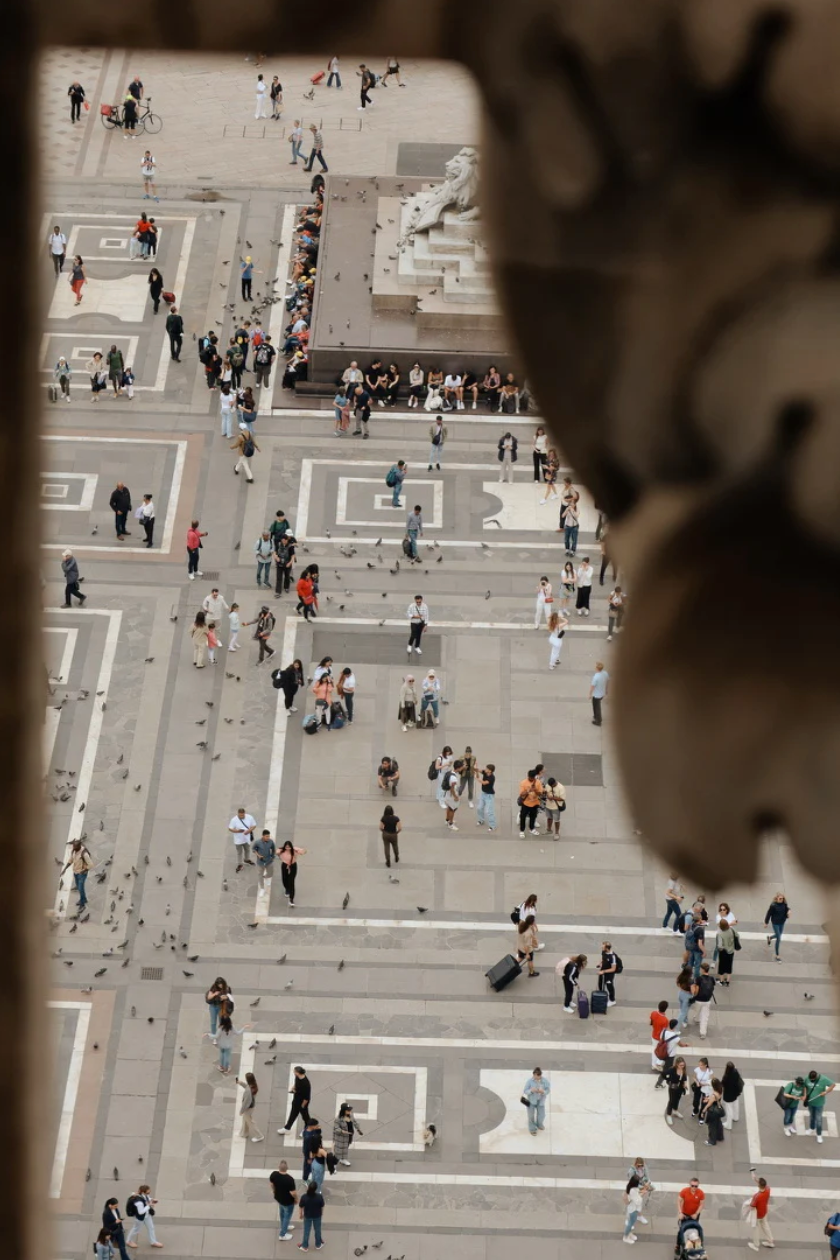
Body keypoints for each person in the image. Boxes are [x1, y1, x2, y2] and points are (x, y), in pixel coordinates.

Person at [125, 1185, 163, 1249]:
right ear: (143, 1192)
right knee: (136, 1229)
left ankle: (153, 1242)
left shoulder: (144, 1195)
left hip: (147, 1215)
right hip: (140, 1217)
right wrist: (149, 1205)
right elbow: (141, 1212)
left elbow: (146, 1198)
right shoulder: (139, 1202)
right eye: (148, 1193)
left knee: (151, 1228)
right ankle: (128, 1241)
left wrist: (152, 1200)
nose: (149, 1194)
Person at [61, 839, 93, 912]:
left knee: (81, 889)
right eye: (73, 846)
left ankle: (82, 904)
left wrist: (84, 871)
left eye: (75, 847)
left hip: (82, 874)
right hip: (75, 872)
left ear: (79, 846)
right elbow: (71, 860)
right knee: (79, 887)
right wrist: (65, 869)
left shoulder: (84, 854)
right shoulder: (74, 851)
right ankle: (84, 899)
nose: (73, 848)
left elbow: (91, 864)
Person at [270, 1159, 298, 1241]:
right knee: (287, 1216)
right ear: (287, 1168)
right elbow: (293, 1193)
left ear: (279, 1167)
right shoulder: (290, 1179)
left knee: (282, 1213)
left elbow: (271, 1184)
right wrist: (296, 1199)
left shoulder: (274, 1175)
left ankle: (284, 1226)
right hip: (288, 1201)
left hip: (279, 1198)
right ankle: (282, 1234)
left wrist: (274, 1190)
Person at [806, 1069, 836, 1142]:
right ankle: (812, 1128)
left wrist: (825, 1092)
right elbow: (804, 1086)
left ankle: (819, 1135)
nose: (811, 1080)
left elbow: (833, 1085)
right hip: (810, 1103)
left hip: (819, 1104)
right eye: (811, 1080)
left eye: (813, 1080)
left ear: (816, 1077)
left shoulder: (823, 1079)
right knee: (812, 1116)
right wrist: (804, 1095)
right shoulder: (807, 1078)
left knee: (819, 1120)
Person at [654, 1018, 687, 1086]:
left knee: (668, 1069)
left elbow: (661, 1039)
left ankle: (663, 1081)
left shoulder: (663, 1032)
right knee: (667, 1071)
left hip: (662, 1053)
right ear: (675, 1026)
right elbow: (681, 1045)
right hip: (670, 1056)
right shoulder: (676, 1037)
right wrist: (686, 1045)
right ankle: (659, 1083)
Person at [281, 1065, 312, 1132]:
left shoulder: (306, 1083)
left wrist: (303, 1106)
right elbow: (296, 1083)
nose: (293, 1072)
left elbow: (306, 1097)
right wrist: (293, 1088)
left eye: (294, 1071)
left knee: (305, 1116)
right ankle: (287, 1128)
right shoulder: (297, 1077)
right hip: (296, 1100)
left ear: (298, 1072)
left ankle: (308, 1127)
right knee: (293, 1114)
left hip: (302, 1102)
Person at [298, 1180, 325, 1252]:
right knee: (318, 1230)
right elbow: (322, 1206)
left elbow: (301, 1206)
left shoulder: (304, 1197)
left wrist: (300, 1214)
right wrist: (321, 1213)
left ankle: (305, 1246)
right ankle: (318, 1244)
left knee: (306, 1231)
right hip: (317, 1215)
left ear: (308, 1188)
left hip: (307, 1216)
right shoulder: (319, 1196)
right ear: (316, 1189)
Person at [236, 1071, 264, 1141]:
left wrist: (241, 1111)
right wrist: (240, 1083)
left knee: (251, 1122)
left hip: (248, 1109)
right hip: (251, 1107)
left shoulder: (248, 1091)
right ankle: (244, 1133)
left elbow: (246, 1102)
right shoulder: (254, 1085)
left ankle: (259, 1136)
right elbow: (247, 1086)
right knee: (245, 1120)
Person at [691, 962, 716, 1038]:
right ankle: (703, 1033)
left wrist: (694, 995)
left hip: (699, 999)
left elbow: (697, 990)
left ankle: (696, 1018)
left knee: (697, 1010)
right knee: (705, 1017)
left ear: (702, 969)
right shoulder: (712, 979)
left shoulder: (699, 978)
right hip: (707, 1000)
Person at [333, 1101, 363, 1165]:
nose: (350, 1111)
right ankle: (337, 1162)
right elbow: (336, 1128)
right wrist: (342, 1131)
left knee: (346, 1147)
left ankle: (342, 1159)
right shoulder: (338, 1119)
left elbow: (355, 1122)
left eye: (350, 1110)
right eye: (348, 1110)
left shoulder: (350, 1115)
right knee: (340, 1149)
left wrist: (358, 1129)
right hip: (341, 1137)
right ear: (344, 1110)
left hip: (349, 1135)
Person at [228, 807, 257, 872]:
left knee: (247, 850)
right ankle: (240, 864)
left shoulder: (250, 817)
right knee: (239, 852)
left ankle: (246, 859)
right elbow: (230, 828)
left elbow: (254, 825)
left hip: (246, 838)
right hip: (238, 840)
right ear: (238, 814)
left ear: (244, 813)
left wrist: (249, 830)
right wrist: (237, 831)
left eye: (243, 815)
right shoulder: (234, 820)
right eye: (240, 815)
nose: (242, 816)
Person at [522, 1067, 550, 1133]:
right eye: (534, 1076)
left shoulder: (545, 1081)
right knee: (531, 1115)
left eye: (537, 1076)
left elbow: (548, 1090)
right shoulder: (529, 1081)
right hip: (531, 1101)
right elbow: (525, 1091)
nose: (535, 1077)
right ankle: (532, 1129)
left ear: (540, 1075)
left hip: (541, 1101)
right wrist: (531, 1091)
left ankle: (539, 1124)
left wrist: (543, 1092)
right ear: (534, 1074)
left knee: (542, 1115)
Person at [764, 892, 790, 961]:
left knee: (779, 934)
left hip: (782, 922)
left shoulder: (784, 904)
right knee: (779, 938)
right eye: (780, 898)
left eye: (782, 898)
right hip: (775, 923)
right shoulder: (773, 906)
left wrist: (789, 911)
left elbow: (787, 909)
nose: (781, 900)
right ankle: (777, 955)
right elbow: (768, 914)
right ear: (777, 898)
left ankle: (770, 938)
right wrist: (766, 922)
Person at [517, 769, 543, 837]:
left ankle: (532, 829)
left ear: (534, 777)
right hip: (526, 803)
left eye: (532, 778)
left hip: (535, 803)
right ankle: (522, 830)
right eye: (530, 777)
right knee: (523, 817)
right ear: (528, 776)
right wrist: (528, 791)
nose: (531, 779)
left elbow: (540, 794)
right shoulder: (523, 782)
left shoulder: (538, 782)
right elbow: (521, 794)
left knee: (533, 817)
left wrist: (535, 790)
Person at [623, 1174, 647, 1244]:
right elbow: (638, 1201)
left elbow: (636, 1195)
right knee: (631, 1223)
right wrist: (643, 1194)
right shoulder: (632, 1190)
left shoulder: (630, 1187)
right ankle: (625, 1237)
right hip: (633, 1209)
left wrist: (641, 1192)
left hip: (632, 1208)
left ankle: (629, 1234)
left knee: (631, 1223)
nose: (639, 1183)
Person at [664, 1056, 688, 1125]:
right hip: (673, 1088)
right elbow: (664, 1074)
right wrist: (668, 1080)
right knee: (671, 1101)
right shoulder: (672, 1069)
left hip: (680, 1088)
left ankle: (675, 1110)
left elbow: (684, 1077)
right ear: (677, 1064)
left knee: (677, 1099)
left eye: (683, 1065)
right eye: (681, 1065)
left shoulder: (683, 1069)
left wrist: (685, 1084)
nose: (682, 1066)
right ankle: (669, 1115)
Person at [701, 1077, 726, 1144]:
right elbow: (715, 1099)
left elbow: (708, 1105)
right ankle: (720, 1137)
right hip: (718, 1110)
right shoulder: (720, 1090)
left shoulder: (714, 1094)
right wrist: (709, 1098)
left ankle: (712, 1141)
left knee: (712, 1126)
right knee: (718, 1124)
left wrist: (703, 1111)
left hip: (713, 1112)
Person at [721, 1060, 744, 1130]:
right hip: (735, 1093)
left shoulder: (726, 1077)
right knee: (735, 1105)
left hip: (728, 1096)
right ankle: (735, 1117)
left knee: (729, 1109)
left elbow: (722, 1084)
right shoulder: (735, 1072)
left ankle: (728, 1125)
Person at [716, 917, 737, 986]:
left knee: (721, 966)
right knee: (729, 965)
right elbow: (737, 936)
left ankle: (721, 981)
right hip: (731, 951)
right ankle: (728, 981)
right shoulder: (732, 930)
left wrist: (720, 949)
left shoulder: (720, 934)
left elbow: (720, 945)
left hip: (723, 952)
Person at [476, 762, 496, 831]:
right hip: (483, 793)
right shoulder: (485, 772)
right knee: (479, 808)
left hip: (489, 795)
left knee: (489, 811)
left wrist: (478, 779)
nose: (485, 769)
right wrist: (476, 767)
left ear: (490, 770)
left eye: (487, 768)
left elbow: (484, 783)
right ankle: (481, 820)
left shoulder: (492, 778)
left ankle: (492, 825)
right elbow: (478, 770)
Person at [597, 941, 619, 1006]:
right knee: (600, 984)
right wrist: (600, 963)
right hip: (602, 971)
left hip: (609, 974)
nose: (601, 947)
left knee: (609, 986)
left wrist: (603, 971)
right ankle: (601, 996)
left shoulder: (612, 957)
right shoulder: (603, 952)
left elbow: (613, 969)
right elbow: (603, 959)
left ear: (607, 948)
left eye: (603, 946)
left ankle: (612, 1000)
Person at [650, 1000, 670, 1069]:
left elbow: (651, 1022)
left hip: (654, 1034)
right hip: (660, 1038)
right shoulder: (665, 1020)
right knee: (661, 1051)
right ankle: (658, 1064)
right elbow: (664, 1031)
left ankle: (653, 1065)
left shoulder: (653, 1013)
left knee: (654, 1050)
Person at [443, 759, 462, 830]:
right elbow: (452, 788)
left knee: (449, 807)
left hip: (447, 795)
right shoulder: (453, 778)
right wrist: (455, 797)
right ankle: (450, 824)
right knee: (453, 809)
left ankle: (447, 820)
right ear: (459, 768)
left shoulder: (450, 772)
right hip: (451, 796)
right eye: (461, 767)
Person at [590, 662, 609, 726]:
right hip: (602, 693)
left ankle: (598, 720)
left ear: (597, 668)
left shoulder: (596, 677)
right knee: (596, 706)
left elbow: (592, 687)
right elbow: (607, 681)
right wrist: (606, 690)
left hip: (596, 695)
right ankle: (596, 716)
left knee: (596, 707)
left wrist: (590, 694)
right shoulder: (605, 673)